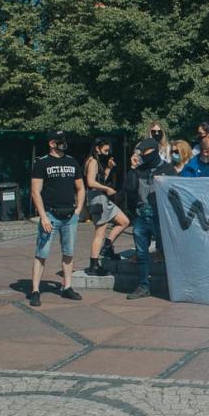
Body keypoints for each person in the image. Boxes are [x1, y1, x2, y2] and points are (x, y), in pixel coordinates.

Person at [29, 131, 85, 307]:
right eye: (60, 141)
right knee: (41, 253)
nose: (64, 144)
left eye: (65, 141)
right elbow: (35, 191)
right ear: (51, 143)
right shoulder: (42, 163)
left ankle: (67, 287)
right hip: (50, 216)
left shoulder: (72, 161)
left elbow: (81, 188)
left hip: (70, 216)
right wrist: (43, 216)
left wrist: (78, 211)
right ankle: (35, 290)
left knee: (68, 252)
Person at [124, 138, 176, 300]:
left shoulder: (168, 169)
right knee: (141, 253)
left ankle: (172, 285)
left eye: (146, 153)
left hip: (161, 218)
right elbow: (128, 189)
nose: (143, 156)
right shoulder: (139, 170)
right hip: (142, 216)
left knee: (167, 251)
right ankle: (143, 285)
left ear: (154, 151)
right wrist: (132, 169)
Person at [84, 138, 131, 276]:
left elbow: (100, 178)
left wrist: (109, 168)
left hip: (101, 198)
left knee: (124, 221)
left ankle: (108, 246)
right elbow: (91, 182)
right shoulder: (92, 161)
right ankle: (94, 265)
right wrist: (107, 189)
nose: (107, 152)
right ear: (97, 148)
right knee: (100, 232)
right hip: (97, 198)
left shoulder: (96, 161)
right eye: (105, 149)